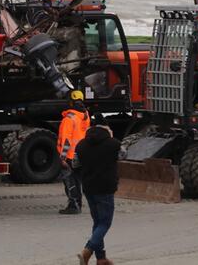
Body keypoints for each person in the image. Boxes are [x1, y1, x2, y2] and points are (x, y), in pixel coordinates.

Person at [75, 125, 120, 265]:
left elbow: (75, 164)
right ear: (107, 132)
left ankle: (100, 258)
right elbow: (124, 155)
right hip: (105, 188)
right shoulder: (113, 144)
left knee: (98, 222)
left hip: (89, 188)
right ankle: (87, 250)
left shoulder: (81, 145)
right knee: (105, 222)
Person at [58, 90, 91, 215]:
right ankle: (78, 203)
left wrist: (63, 157)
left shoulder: (69, 119)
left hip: (70, 156)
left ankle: (74, 205)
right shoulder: (85, 116)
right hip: (81, 154)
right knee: (78, 180)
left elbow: (66, 140)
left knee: (70, 180)